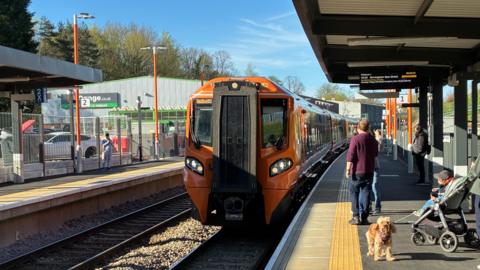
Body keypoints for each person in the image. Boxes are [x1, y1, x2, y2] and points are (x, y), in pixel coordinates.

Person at [346, 119, 378, 225]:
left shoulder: (355, 139)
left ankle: (355, 217)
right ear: (368, 128)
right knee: (366, 192)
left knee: (354, 192)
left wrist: (347, 169)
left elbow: (350, 156)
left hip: (356, 171)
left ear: (358, 128)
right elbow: (375, 154)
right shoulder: (373, 140)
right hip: (369, 170)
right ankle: (364, 218)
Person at [372, 129, 383, 214]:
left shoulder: (376, 141)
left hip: (374, 166)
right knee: (370, 187)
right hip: (367, 168)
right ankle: (369, 206)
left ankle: (377, 206)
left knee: (374, 186)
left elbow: (379, 150)